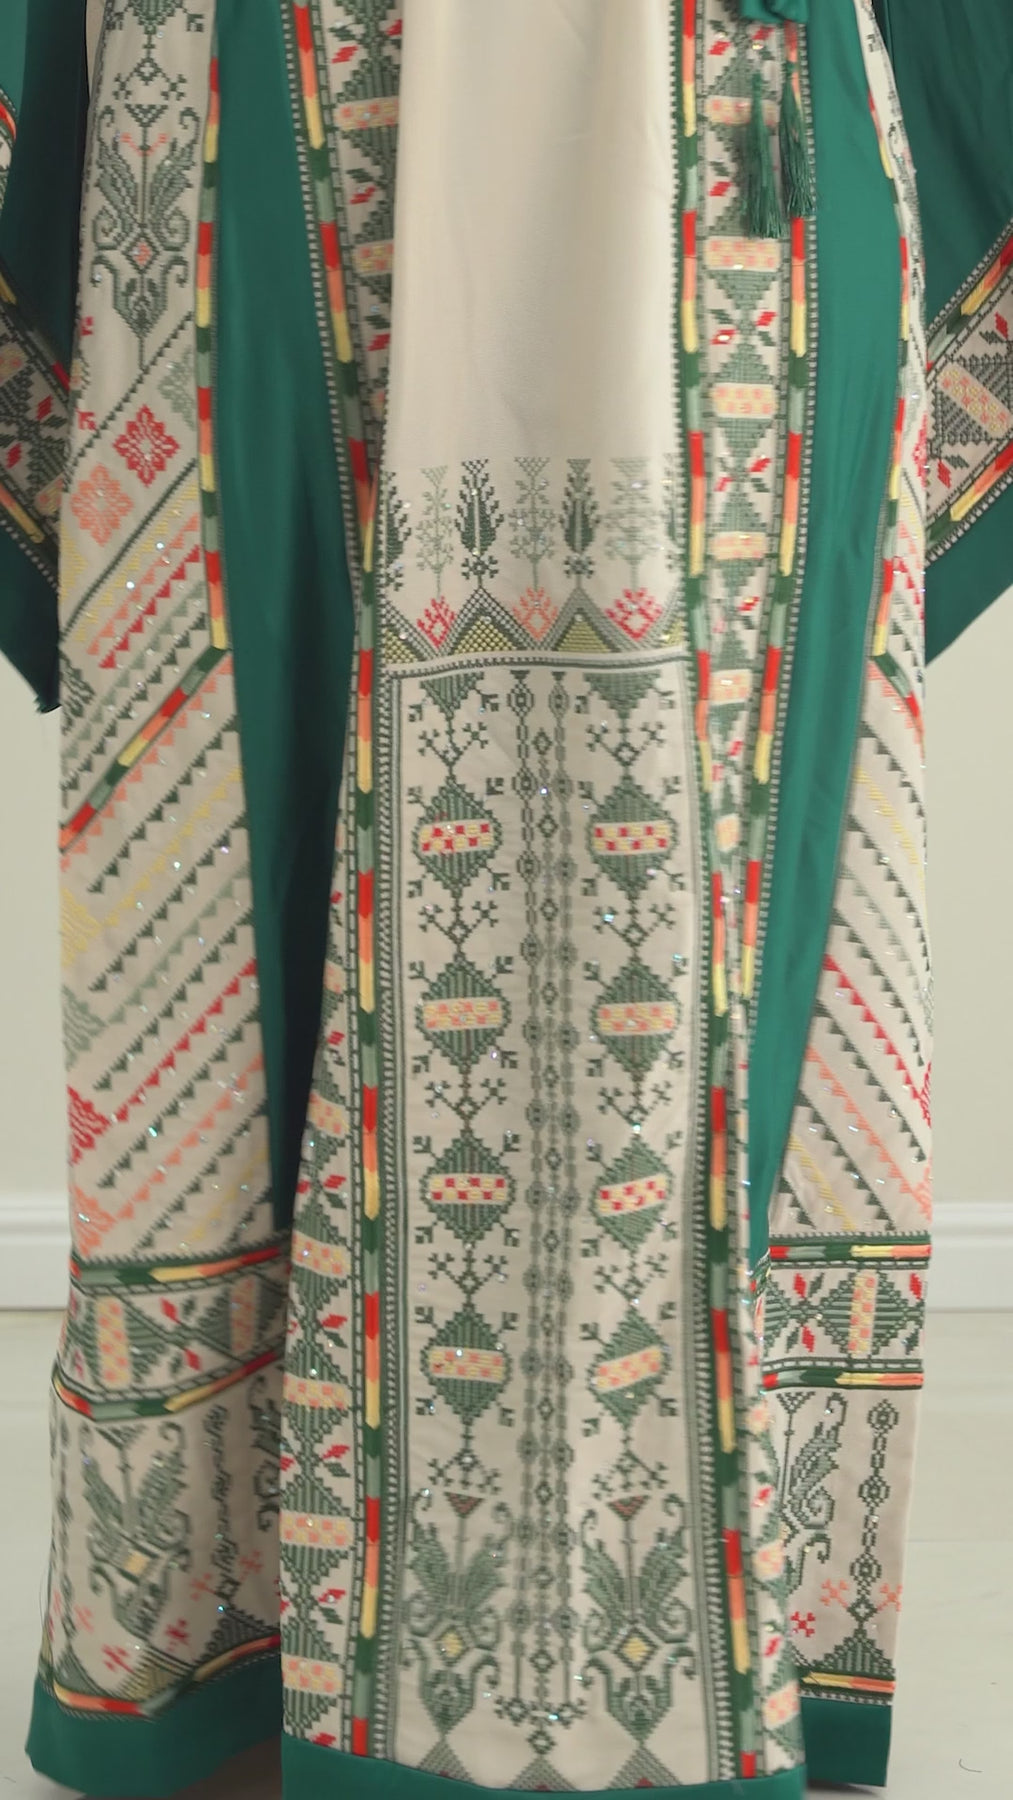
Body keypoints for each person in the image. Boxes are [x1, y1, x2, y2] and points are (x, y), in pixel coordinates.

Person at [1, 3, 1009, 1796]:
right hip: (244, 151)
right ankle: (241, 1647)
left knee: (726, 891)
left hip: (719, 183)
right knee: (218, 894)